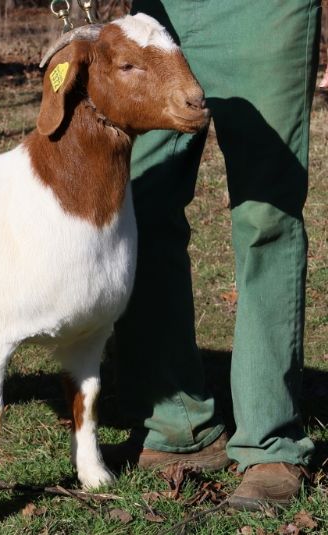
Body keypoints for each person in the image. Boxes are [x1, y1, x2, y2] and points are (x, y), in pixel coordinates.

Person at [108, 0, 322, 510]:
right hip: (158, 15)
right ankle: (179, 424)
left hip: (263, 12)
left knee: (265, 213)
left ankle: (269, 441)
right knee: (139, 204)